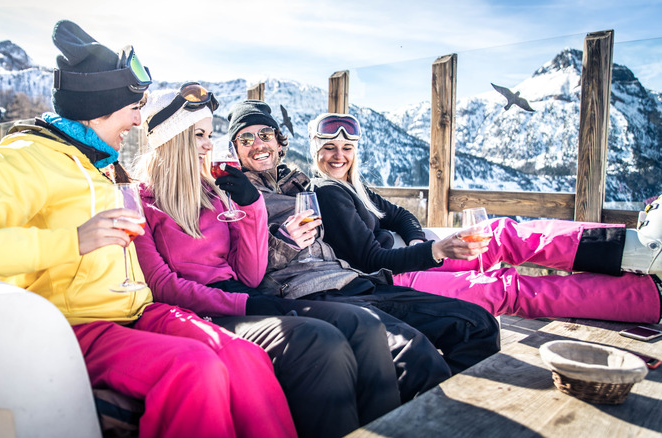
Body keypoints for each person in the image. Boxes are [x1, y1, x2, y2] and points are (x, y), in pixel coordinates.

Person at [0, 20, 297, 438]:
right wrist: (70, 242)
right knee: (194, 369)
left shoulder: (102, 164)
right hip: (78, 325)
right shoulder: (26, 159)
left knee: (244, 356)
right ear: (100, 108)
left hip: (140, 313)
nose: (140, 120)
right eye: (134, 108)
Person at [132, 86, 405, 438]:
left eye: (209, 135)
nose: (207, 144)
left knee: (364, 326)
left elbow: (250, 272)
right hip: (204, 309)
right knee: (320, 341)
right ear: (173, 139)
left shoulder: (216, 196)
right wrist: (242, 301)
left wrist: (251, 207)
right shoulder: (141, 200)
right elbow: (163, 285)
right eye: (199, 135)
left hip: (242, 297)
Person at [227, 100, 501, 389]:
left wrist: (415, 239)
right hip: (311, 294)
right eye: (246, 138)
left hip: (356, 282)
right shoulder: (235, 196)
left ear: (279, 142)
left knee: (477, 324)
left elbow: (395, 216)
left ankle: (454, 415)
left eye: (265, 135)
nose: (258, 144)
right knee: (415, 355)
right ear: (234, 149)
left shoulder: (299, 186)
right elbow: (244, 266)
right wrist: (283, 239)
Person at [306, 112, 662, 324]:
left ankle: (641, 251)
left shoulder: (353, 186)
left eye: (347, 148)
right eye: (329, 149)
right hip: (394, 279)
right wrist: (433, 251)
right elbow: (370, 260)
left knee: (499, 234)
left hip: (414, 257)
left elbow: (400, 215)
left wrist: (419, 241)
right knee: (503, 288)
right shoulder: (327, 193)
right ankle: (648, 296)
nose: (339, 156)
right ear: (315, 151)